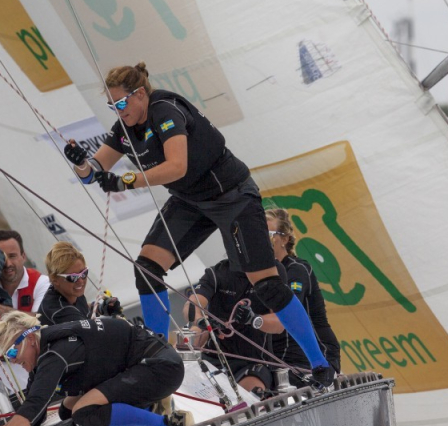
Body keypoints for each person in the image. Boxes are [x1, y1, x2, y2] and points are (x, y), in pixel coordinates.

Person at [62, 62, 335, 387]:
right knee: (147, 268)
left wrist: (126, 180)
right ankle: (156, 356)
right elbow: (94, 172)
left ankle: (319, 364)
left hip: (232, 196)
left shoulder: (166, 110)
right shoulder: (125, 128)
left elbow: (177, 166)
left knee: (267, 285)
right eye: (112, 106)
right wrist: (81, 164)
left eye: (121, 103)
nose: (118, 111)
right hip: (191, 200)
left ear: (140, 94)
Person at [0, 311, 187, 426]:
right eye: (6, 357)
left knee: (82, 412)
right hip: (146, 366)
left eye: (13, 352)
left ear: (30, 339)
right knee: (66, 411)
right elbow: (35, 415)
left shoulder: (54, 354)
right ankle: (150, 404)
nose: (13, 360)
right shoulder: (46, 350)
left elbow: (34, 406)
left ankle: (170, 423)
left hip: (161, 368)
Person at [184, 259, 286, 394]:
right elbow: (191, 306)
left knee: (251, 392)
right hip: (213, 359)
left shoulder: (273, 270)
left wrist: (253, 319)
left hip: (252, 363)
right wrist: (202, 321)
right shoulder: (217, 272)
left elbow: (280, 324)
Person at [266, 208, 341, 381]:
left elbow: (284, 312)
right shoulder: (260, 273)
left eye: (269, 234)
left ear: (284, 239)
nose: (263, 239)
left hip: (314, 354)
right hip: (278, 354)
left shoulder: (297, 269)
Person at [38, 242, 123, 325]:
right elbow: (91, 331)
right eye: (73, 277)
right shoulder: (59, 311)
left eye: (84, 273)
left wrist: (100, 308)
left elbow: (81, 307)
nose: (81, 281)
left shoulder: (72, 292)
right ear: (55, 280)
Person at [0, 229, 49, 324]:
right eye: (1, 258)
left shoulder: (41, 282)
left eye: (12, 256)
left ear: (23, 257)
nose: (7, 264)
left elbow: (40, 321)